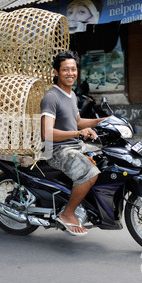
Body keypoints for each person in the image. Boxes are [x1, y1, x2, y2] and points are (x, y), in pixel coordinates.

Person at [40, 50, 106, 236]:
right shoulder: (51, 97)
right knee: (90, 172)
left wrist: (103, 121)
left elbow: (77, 121)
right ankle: (67, 214)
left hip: (74, 145)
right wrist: (78, 133)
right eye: (65, 70)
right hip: (57, 149)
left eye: (73, 69)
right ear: (56, 72)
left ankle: (85, 205)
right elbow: (47, 132)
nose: (70, 73)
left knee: (106, 158)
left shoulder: (72, 95)